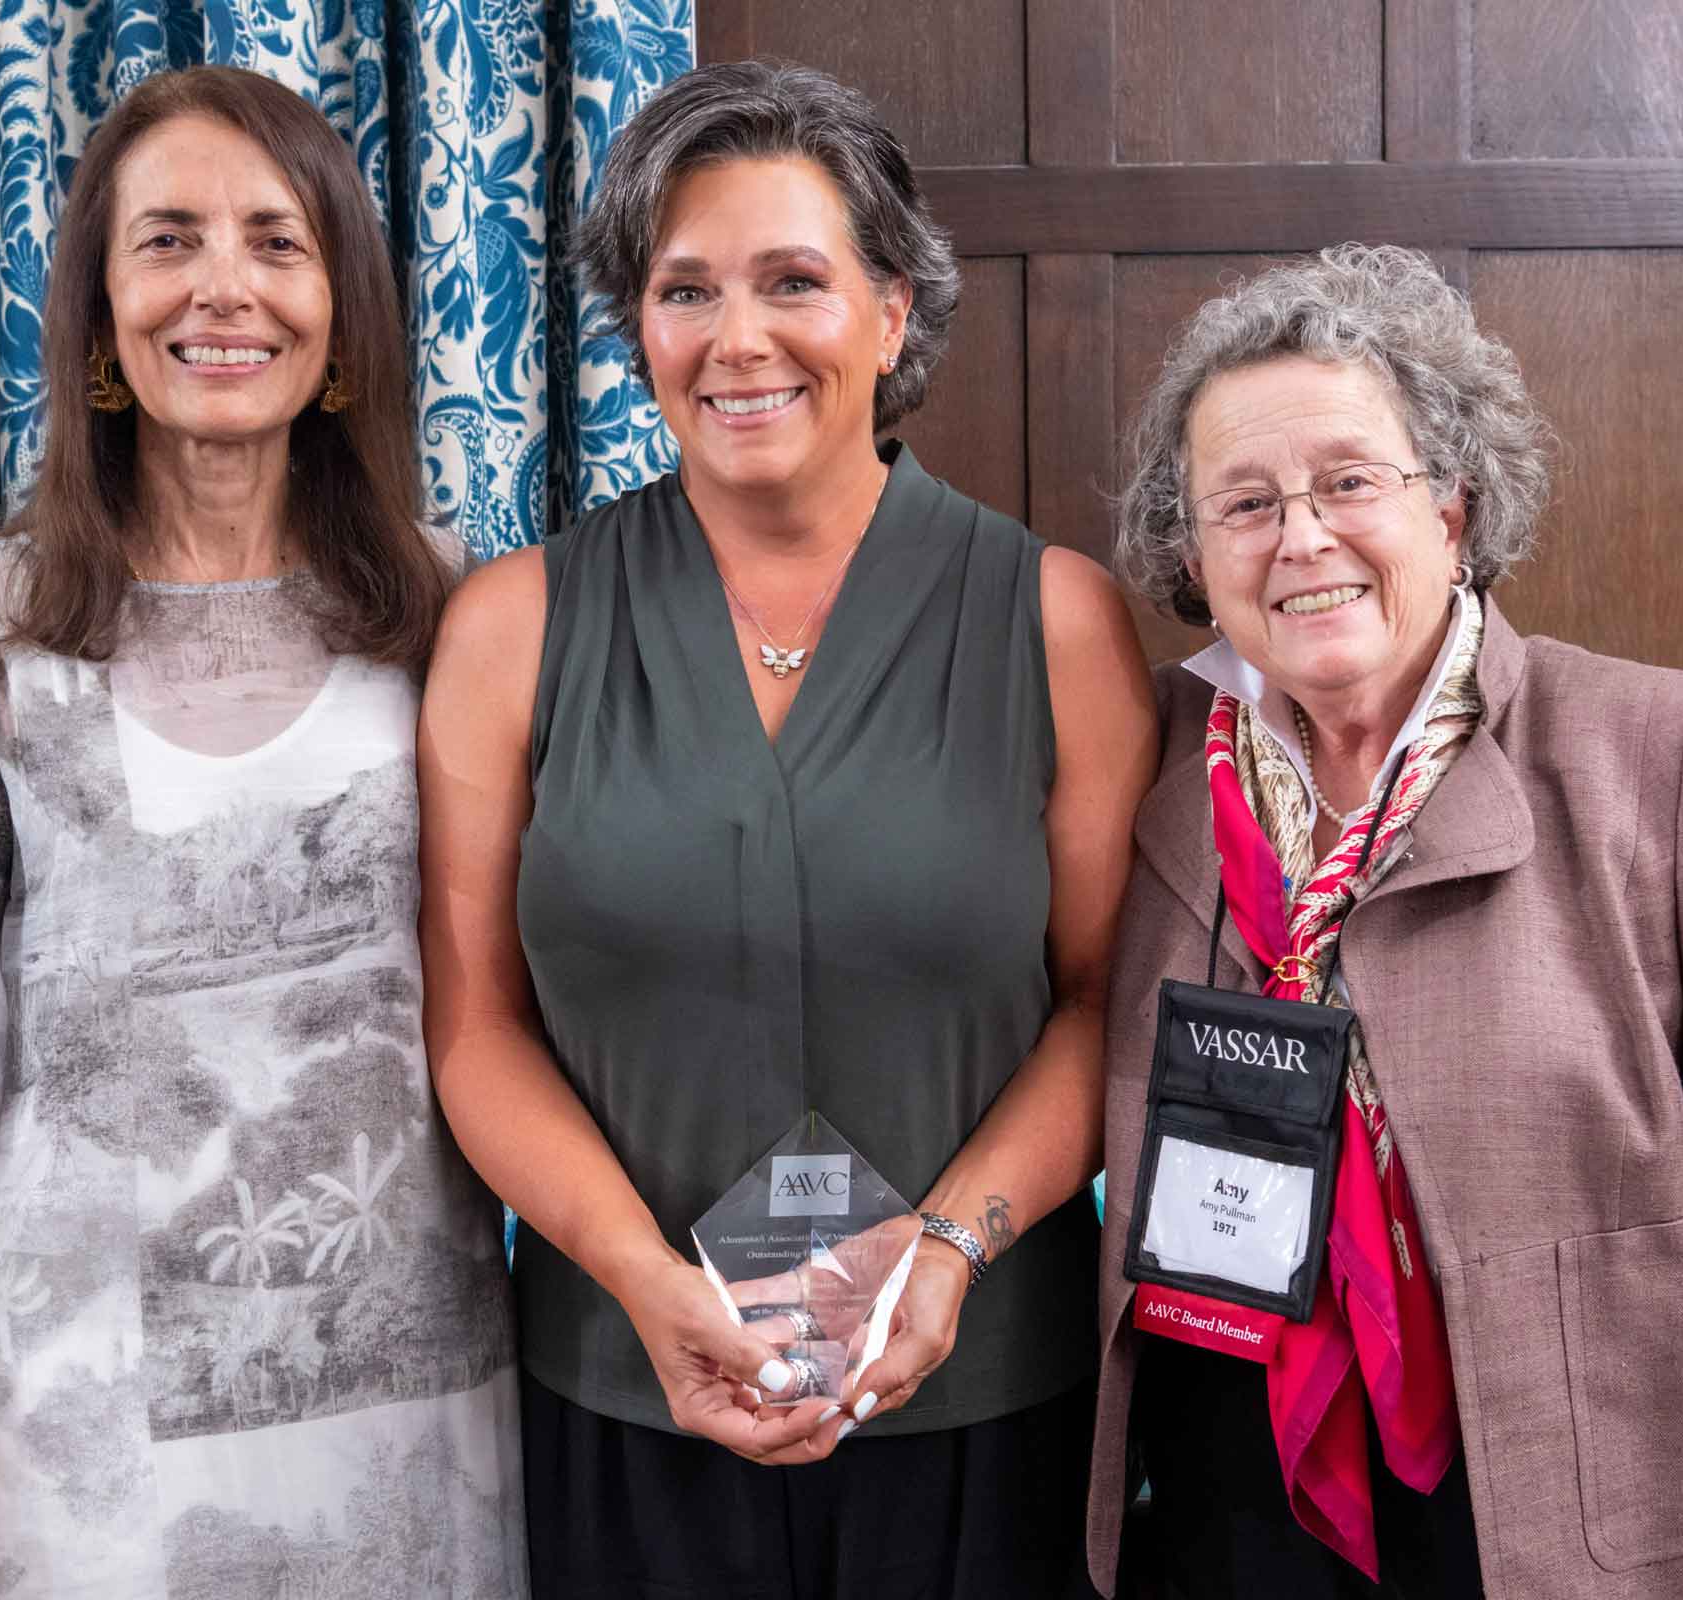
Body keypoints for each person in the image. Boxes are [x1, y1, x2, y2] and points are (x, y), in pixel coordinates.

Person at [1086, 244, 1683, 1599]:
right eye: (1242, 501)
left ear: (1459, 509)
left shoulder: (1669, 759)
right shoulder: (1151, 764)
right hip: (1224, 1505)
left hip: (1559, 1521)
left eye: (1350, 481)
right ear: (1193, 550)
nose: (1300, 536)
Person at [417, 59, 1154, 1600]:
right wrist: (642, 1284)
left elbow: (1101, 1007)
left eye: (793, 282)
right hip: (624, 1401)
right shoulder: (513, 626)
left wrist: (948, 1253)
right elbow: (476, 1027)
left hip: (981, 1405)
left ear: (893, 315)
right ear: (640, 329)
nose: (735, 338)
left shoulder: (1054, 620)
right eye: (686, 290)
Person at [0, 66, 526, 1600]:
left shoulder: (451, 605)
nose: (222, 289)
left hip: (405, 1384)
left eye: (275, 239)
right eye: (168, 240)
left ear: (340, 310)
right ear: (104, 306)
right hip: (85, 1415)